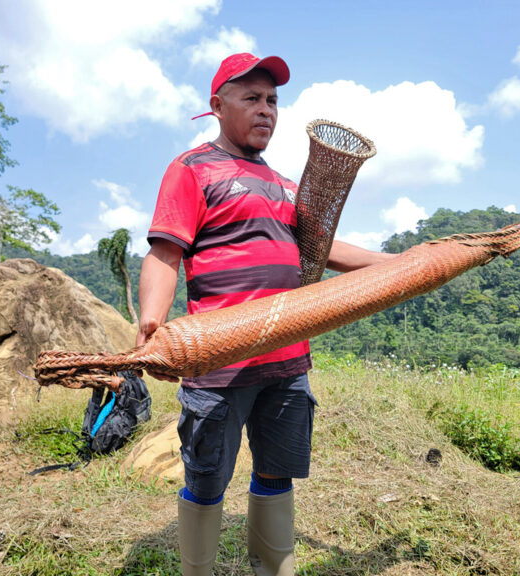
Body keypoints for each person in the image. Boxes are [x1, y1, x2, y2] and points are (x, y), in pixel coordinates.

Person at [138, 53, 396, 576]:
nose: (266, 110)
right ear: (217, 105)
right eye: (251, 98)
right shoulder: (192, 170)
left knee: (277, 474)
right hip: (219, 362)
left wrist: (404, 263)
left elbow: (328, 249)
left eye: (273, 101)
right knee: (207, 477)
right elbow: (165, 252)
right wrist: (151, 320)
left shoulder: (282, 183)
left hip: (286, 362)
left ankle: (273, 569)